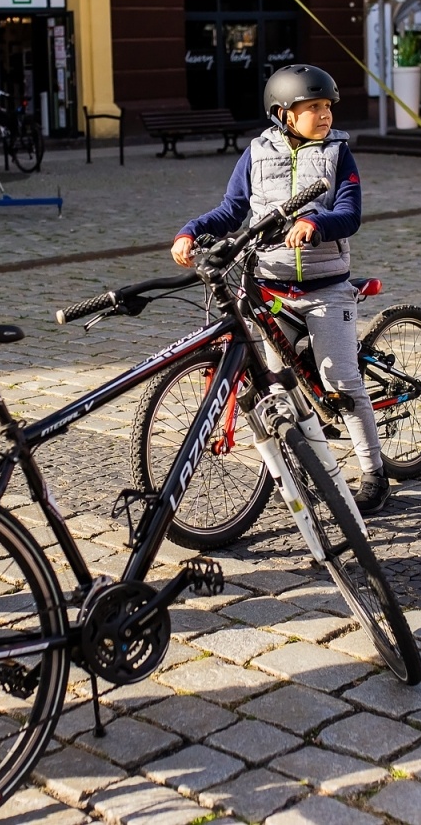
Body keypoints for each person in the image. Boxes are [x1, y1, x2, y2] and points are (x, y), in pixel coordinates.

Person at [171, 65, 389, 514]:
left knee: (341, 381)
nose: (325, 115)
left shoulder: (338, 154)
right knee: (275, 384)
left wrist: (315, 221)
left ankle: (375, 473)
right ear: (284, 114)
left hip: (325, 286)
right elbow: (232, 209)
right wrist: (191, 231)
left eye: (328, 106)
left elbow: (350, 213)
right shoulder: (255, 152)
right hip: (270, 285)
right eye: (314, 107)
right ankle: (301, 464)